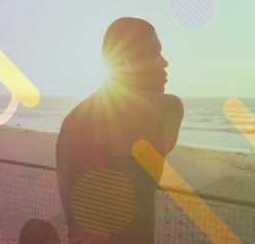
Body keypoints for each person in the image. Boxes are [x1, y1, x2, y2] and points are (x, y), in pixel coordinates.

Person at [56, 17, 184, 244]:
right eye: (154, 52)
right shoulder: (163, 112)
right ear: (127, 61)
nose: (164, 62)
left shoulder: (74, 120)